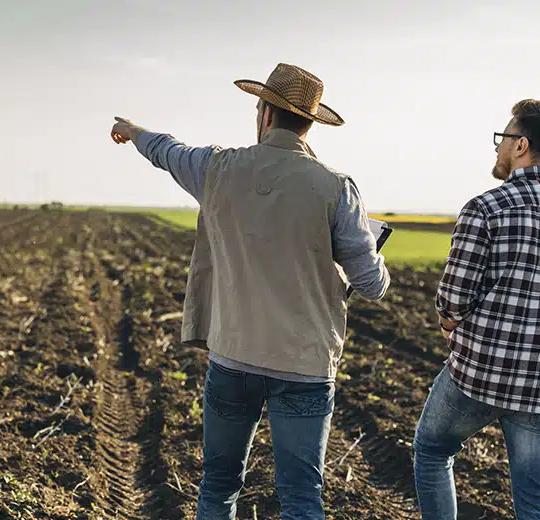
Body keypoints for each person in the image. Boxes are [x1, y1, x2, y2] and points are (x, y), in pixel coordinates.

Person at [110, 62, 390, 520]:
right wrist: (372, 252)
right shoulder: (337, 188)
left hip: (233, 358)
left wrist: (131, 129)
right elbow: (371, 285)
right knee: (301, 498)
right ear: (310, 122)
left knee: (219, 487)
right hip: (305, 366)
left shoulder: (217, 167)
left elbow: (166, 150)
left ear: (264, 114)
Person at [413, 99, 540, 519]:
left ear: (521, 145)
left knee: (432, 451)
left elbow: (453, 298)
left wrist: (451, 324)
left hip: (478, 375)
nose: (498, 148)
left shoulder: (485, 208)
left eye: (502, 139)